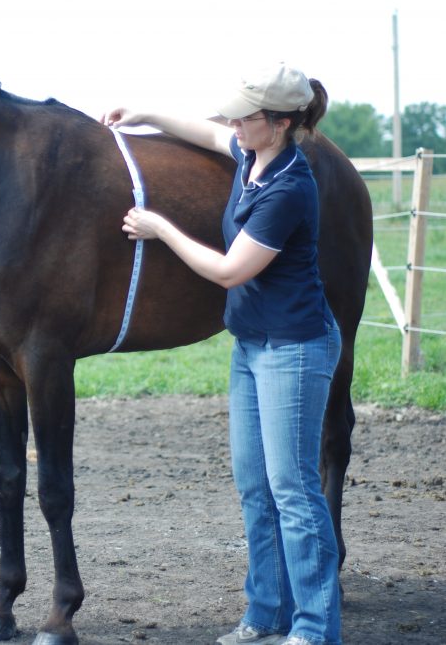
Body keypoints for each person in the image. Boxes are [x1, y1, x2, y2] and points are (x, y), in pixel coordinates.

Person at [103, 64, 342, 645]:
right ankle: (265, 615)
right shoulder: (249, 153)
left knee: (294, 490)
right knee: (256, 487)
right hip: (253, 346)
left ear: (281, 123)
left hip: (295, 349)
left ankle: (314, 629)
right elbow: (204, 132)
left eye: (246, 116)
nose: (233, 123)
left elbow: (230, 271)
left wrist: (161, 227)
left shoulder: (289, 187)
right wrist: (144, 112)